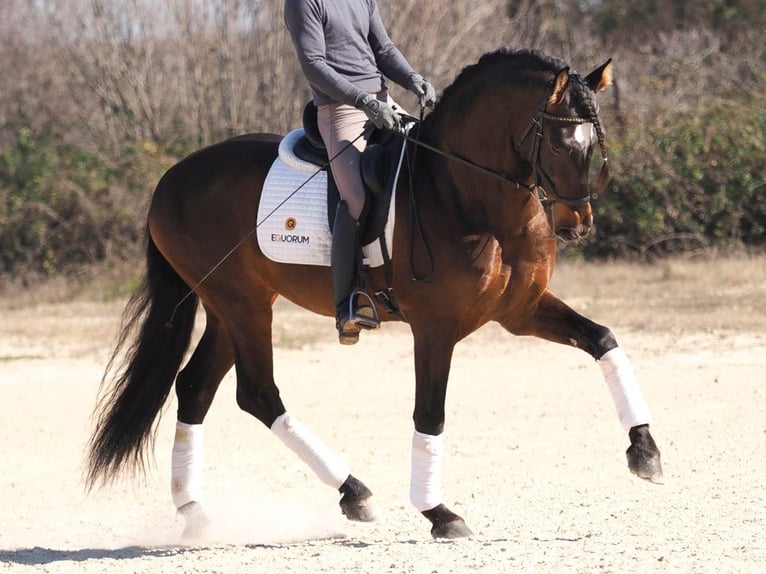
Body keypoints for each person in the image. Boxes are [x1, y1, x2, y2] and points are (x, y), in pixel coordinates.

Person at [284, 0, 436, 345]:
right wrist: (363, 101)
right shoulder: (303, 3)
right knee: (355, 197)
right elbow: (313, 64)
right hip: (341, 110)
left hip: (383, 101)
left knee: (425, 163)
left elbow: (383, 48)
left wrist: (412, 78)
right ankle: (348, 304)